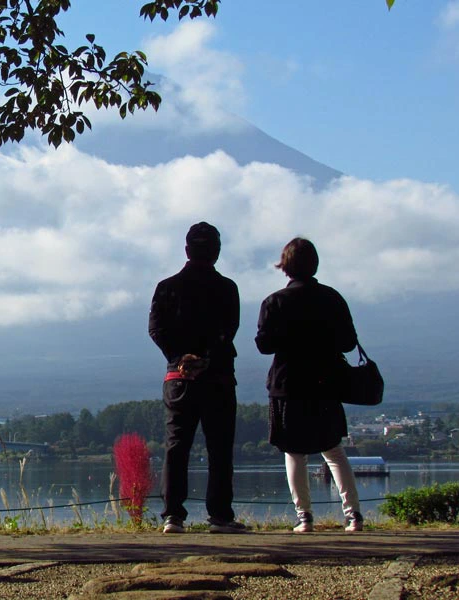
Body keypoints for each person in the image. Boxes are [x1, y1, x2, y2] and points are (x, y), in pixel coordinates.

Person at [255, 237, 363, 533]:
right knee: (333, 450)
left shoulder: (275, 301)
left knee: (294, 452)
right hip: (325, 384)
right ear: (314, 264)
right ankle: (353, 515)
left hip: (288, 385)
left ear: (285, 267)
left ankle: (304, 517)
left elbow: (264, 345)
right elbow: (348, 342)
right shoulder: (332, 298)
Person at [148, 222, 246, 534]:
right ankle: (220, 516)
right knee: (220, 448)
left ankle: (173, 516)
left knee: (176, 447)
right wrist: (206, 358)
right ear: (216, 252)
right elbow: (229, 329)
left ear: (187, 250)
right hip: (219, 377)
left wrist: (180, 357)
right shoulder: (227, 288)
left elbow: (156, 329)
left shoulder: (167, 287)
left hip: (178, 378)